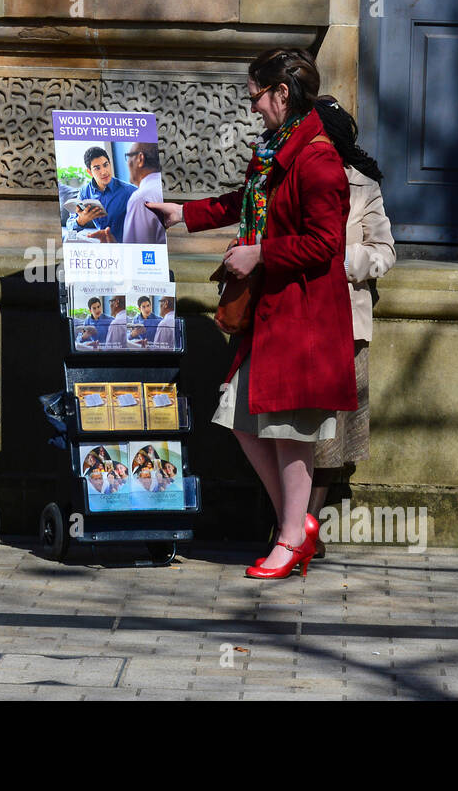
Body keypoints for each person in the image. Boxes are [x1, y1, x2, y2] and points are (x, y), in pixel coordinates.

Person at [147, 47, 356, 580]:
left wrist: (261, 253)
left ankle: (290, 536)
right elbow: (246, 201)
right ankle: (296, 526)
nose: (253, 107)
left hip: (302, 320)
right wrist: (184, 214)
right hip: (272, 315)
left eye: (256, 97)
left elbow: (325, 245)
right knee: (240, 421)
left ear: (281, 94)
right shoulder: (278, 150)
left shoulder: (318, 158)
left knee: (289, 433)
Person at [307, 96, 395, 554]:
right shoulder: (282, 177)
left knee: (332, 433)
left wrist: (344, 259)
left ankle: (304, 525)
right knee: (286, 426)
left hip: (344, 323)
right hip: (293, 317)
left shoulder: (362, 186)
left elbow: (385, 251)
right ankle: (287, 520)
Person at [65, 146, 135, 242]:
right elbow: (70, 228)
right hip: (100, 246)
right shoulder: (84, 192)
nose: (103, 172)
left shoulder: (130, 191)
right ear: (89, 172)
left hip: (124, 246)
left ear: (110, 164)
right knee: (69, 240)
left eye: (105, 165)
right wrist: (81, 221)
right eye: (97, 168)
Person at [121, 143, 166, 244]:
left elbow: (135, 254)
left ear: (140, 159)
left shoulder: (141, 198)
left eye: (128, 157)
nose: (127, 163)